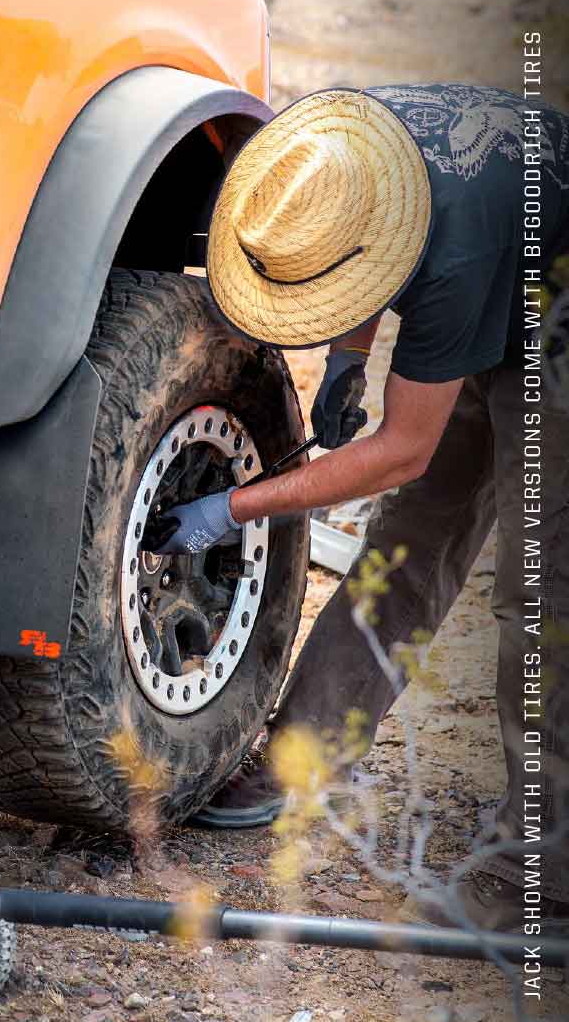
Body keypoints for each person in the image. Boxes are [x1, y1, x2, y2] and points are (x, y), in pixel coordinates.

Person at [151, 85, 569, 933]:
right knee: (408, 545)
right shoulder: (338, 155)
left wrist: (233, 507)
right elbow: (364, 253)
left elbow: (401, 449)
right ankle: (304, 752)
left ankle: (547, 872)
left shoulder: (452, 263)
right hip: (503, 265)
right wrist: (349, 357)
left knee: (541, 597)